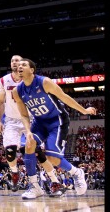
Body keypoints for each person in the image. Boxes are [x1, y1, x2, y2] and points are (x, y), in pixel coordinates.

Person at [12, 58, 97, 199]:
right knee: (28, 144)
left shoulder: (44, 82)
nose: (20, 66)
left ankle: (76, 172)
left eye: (24, 65)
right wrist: (27, 132)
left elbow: (64, 97)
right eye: (18, 65)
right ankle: (34, 186)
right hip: (39, 122)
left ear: (32, 70)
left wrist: (84, 111)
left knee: (52, 158)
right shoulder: (17, 91)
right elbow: (23, 114)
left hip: (57, 121)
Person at [0, 55, 64, 196]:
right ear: (10, 64)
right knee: (10, 150)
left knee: (38, 153)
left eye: (18, 61)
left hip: (30, 119)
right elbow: (1, 101)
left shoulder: (29, 80)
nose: (15, 63)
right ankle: (15, 174)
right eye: (12, 60)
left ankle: (55, 181)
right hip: (11, 120)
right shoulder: (4, 80)